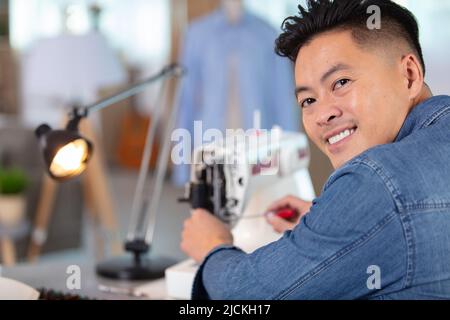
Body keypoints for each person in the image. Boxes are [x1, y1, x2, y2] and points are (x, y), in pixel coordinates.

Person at [180, 0, 450, 300]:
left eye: (341, 82)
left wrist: (213, 248)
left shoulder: (374, 180)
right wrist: (337, 226)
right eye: (308, 101)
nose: (322, 115)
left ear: (409, 74)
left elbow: (246, 295)